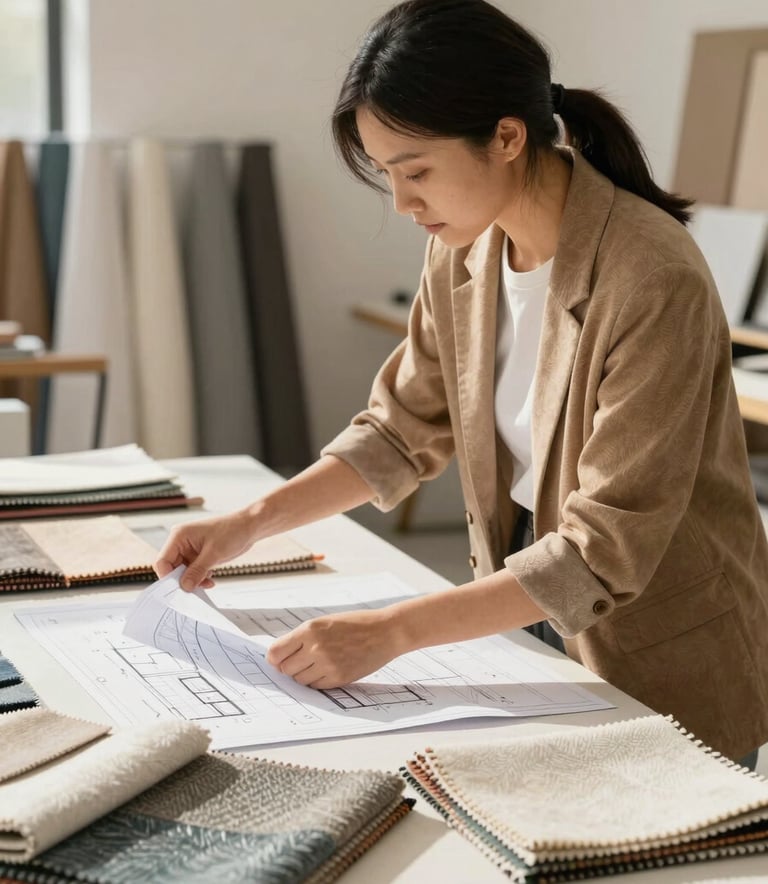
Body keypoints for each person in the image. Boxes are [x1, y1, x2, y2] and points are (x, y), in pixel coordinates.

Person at [156, 0, 768, 768]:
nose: (404, 205)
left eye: (416, 172)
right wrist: (246, 524)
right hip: (521, 609)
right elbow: (399, 428)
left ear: (508, 137)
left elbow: (603, 549)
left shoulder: (652, 277)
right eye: (387, 174)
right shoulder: (465, 251)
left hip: (656, 645)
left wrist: (393, 631)